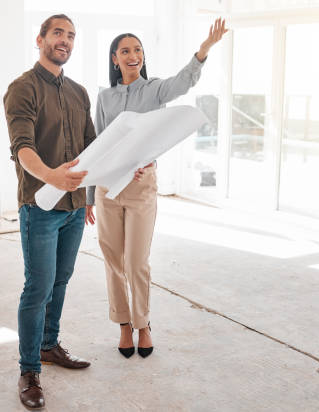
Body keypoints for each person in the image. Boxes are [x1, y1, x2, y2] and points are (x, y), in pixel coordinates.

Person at [87, 18, 228, 358]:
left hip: (140, 189)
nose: (133, 55)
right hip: (108, 189)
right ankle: (123, 325)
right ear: (114, 59)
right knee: (112, 260)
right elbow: (98, 143)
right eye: (125, 50)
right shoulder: (104, 96)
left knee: (136, 261)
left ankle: (143, 324)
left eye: (138, 50)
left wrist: (204, 49)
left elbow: (184, 82)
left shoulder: (156, 90)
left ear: (143, 57)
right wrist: (89, 196)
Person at [4, 14, 96, 410]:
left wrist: (91, 194)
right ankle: (29, 370)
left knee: (61, 280)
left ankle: (49, 345)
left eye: (71, 35)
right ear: (39, 39)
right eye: (58, 33)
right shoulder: (22, 88)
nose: (65, 40)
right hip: (40, 208)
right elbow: (21, 147)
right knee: (37, 288)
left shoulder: (78, 92)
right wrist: (49, 177)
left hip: (75, 208)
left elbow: (94, 146)